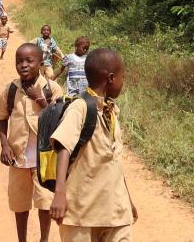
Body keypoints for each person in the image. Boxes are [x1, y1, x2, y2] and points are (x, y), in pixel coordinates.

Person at [50, 48, 136, 242]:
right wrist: (60, 194)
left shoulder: (110, 110)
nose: (124, 81)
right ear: (111, 78)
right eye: (123, 76)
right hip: (82, 212)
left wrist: (126, 200)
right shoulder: (79, 107)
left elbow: (113, 161)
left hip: (115, 211)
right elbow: (64, 147)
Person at [0, 44, 62, 242]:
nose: (23, 65)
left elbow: (60, 117)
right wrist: (5, 144)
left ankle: (44, 239)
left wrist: (40, 99)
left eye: (29, 61)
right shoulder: (11, 90)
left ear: (40, 63)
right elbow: (1, 117)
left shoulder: (52, 88)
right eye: (19, 61)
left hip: (45, 158)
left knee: (45, 202)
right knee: (19, 204)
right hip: (18, 157)